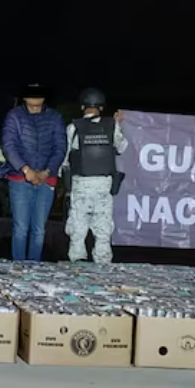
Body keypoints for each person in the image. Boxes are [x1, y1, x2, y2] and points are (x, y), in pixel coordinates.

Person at [0, 82, 66, 261]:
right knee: (20, 228)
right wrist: (25, 169)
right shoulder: (14, 116)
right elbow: (9, 145)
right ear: (24, 97)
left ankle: (34, 268)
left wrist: (47, 171)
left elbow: (60, 148)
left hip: (47, 179)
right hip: (19, 178)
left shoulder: (55, 117)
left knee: (39, 229)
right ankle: (19, 268)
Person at [64, 88, 127, 264]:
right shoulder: (111, 125)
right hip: (103, 185)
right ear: (101, 107)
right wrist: (118, 124)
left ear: (82, 106)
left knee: (78, 227)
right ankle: (103, 263)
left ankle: (76, 263)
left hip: (80, 183)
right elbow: (122, 147)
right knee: (103, 228)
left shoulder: (73, 128)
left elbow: (65, 159)